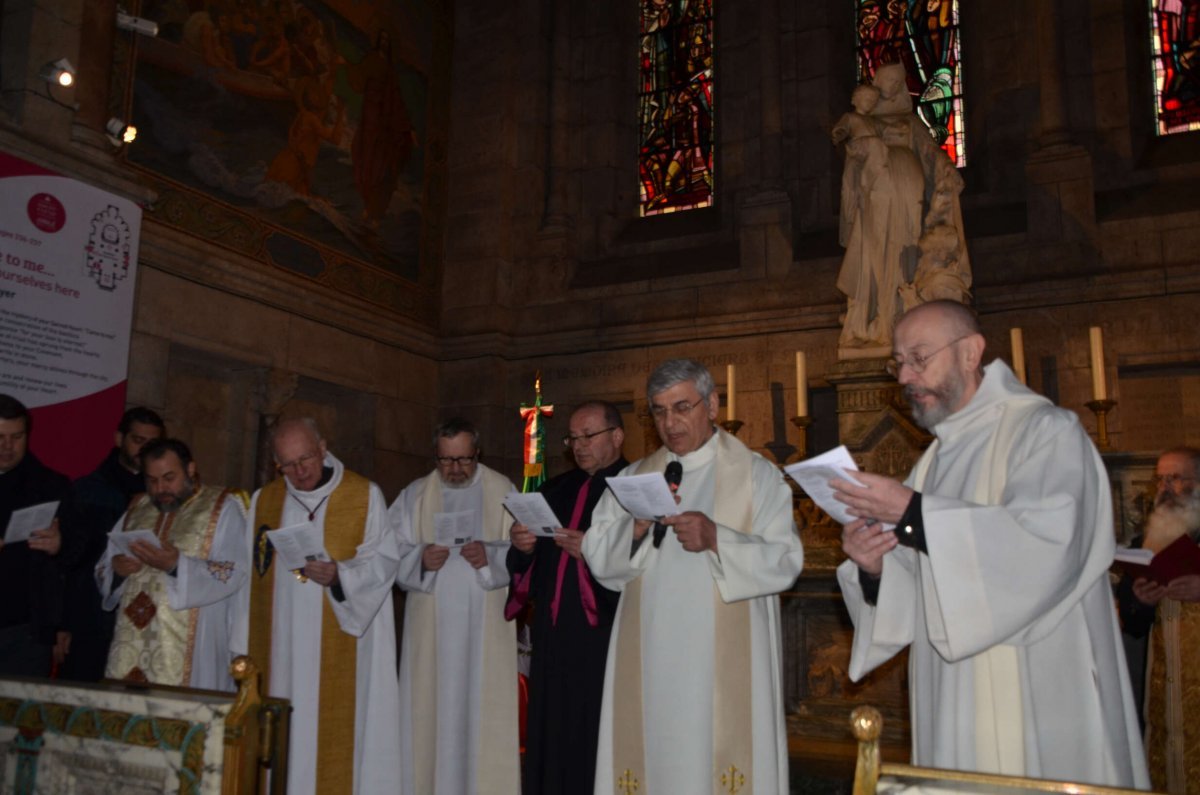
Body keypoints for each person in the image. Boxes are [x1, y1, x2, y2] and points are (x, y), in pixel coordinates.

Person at [833, 300, 1148, 787]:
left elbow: (1048, 543)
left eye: (919, 357)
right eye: (898, 363)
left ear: (970, 352)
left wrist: (914, 513)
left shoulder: (1045, 431)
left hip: (1036, 681)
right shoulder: (934, 462)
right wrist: (875, 570)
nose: (904, 377)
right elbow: (922, 579)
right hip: (951, 692)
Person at [582, 359, 804, 794]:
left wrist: (717, 538)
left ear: (713, 405)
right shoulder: (634, 478)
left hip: (720, 668)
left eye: (682, 407)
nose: (670, 422)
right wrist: (637, 529)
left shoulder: (758, 476)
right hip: (650, 661)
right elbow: (598, 558)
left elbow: (785, 560)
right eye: (659, 411)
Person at [237, 418, 400, 795]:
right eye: (287, 465)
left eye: (306, 458)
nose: (299, 471)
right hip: (281, 648)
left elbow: (383, 562)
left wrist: (340, 576)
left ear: (323, 448)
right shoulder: (266, 499)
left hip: (341, 639)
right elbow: (249, 572)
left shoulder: (363, 494)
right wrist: (243, 646)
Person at [389, 418, 519, 795]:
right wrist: (419, 560)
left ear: (477, 453)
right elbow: (388, 553)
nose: (455, 470)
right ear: (436, 457)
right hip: (431, 629)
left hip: (485, 623)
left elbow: (524, 548)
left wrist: (491, 556)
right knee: (431, 715)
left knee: (481, 717)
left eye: (463, 460)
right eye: (446, 461)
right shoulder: (415, 495)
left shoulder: (502, 490)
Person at [506, 401, 628, 795]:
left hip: (604, 636)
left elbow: (643, 562)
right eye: (573, 438)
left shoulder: (633, 488)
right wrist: (523, 547)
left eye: (588, 436)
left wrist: (593, 551)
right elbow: (527, 571)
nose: (579, 445)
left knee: (593, 730)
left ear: (617, 436)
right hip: (554, 635)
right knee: (551, 731)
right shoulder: (554, 489)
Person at [98, 438, 247, 690]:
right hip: (132, 642)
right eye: (152, 480)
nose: (160, 489)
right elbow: (104, 567)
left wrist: (178, 565)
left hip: (194, 642)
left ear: (190, 470)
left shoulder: (222, 508)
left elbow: (233, 571)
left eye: (169, 478)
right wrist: (118, 571)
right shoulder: (138, 509)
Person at [57, 406, 165, 682]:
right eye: (137, 440)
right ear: (119, 439)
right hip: (90, 616)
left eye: (151, 443)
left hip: (147, 619)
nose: (143, 450)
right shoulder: (87, 490)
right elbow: (69, 563)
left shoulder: (164, 495)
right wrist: (63, 624)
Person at [1117, 447, 1200, 793]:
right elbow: (1133, 622)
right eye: (1160, 479)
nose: (1164, 487)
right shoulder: (1144, 541)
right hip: (1163, 694)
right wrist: (1139, 599)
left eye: (1175, 478)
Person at [0, 394, 70, 677]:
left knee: (20, 719)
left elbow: (81, 552)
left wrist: (60, 545)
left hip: (25, 632)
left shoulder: (51, 485)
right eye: (0, 436)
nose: (8, 446)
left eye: (17, 437)